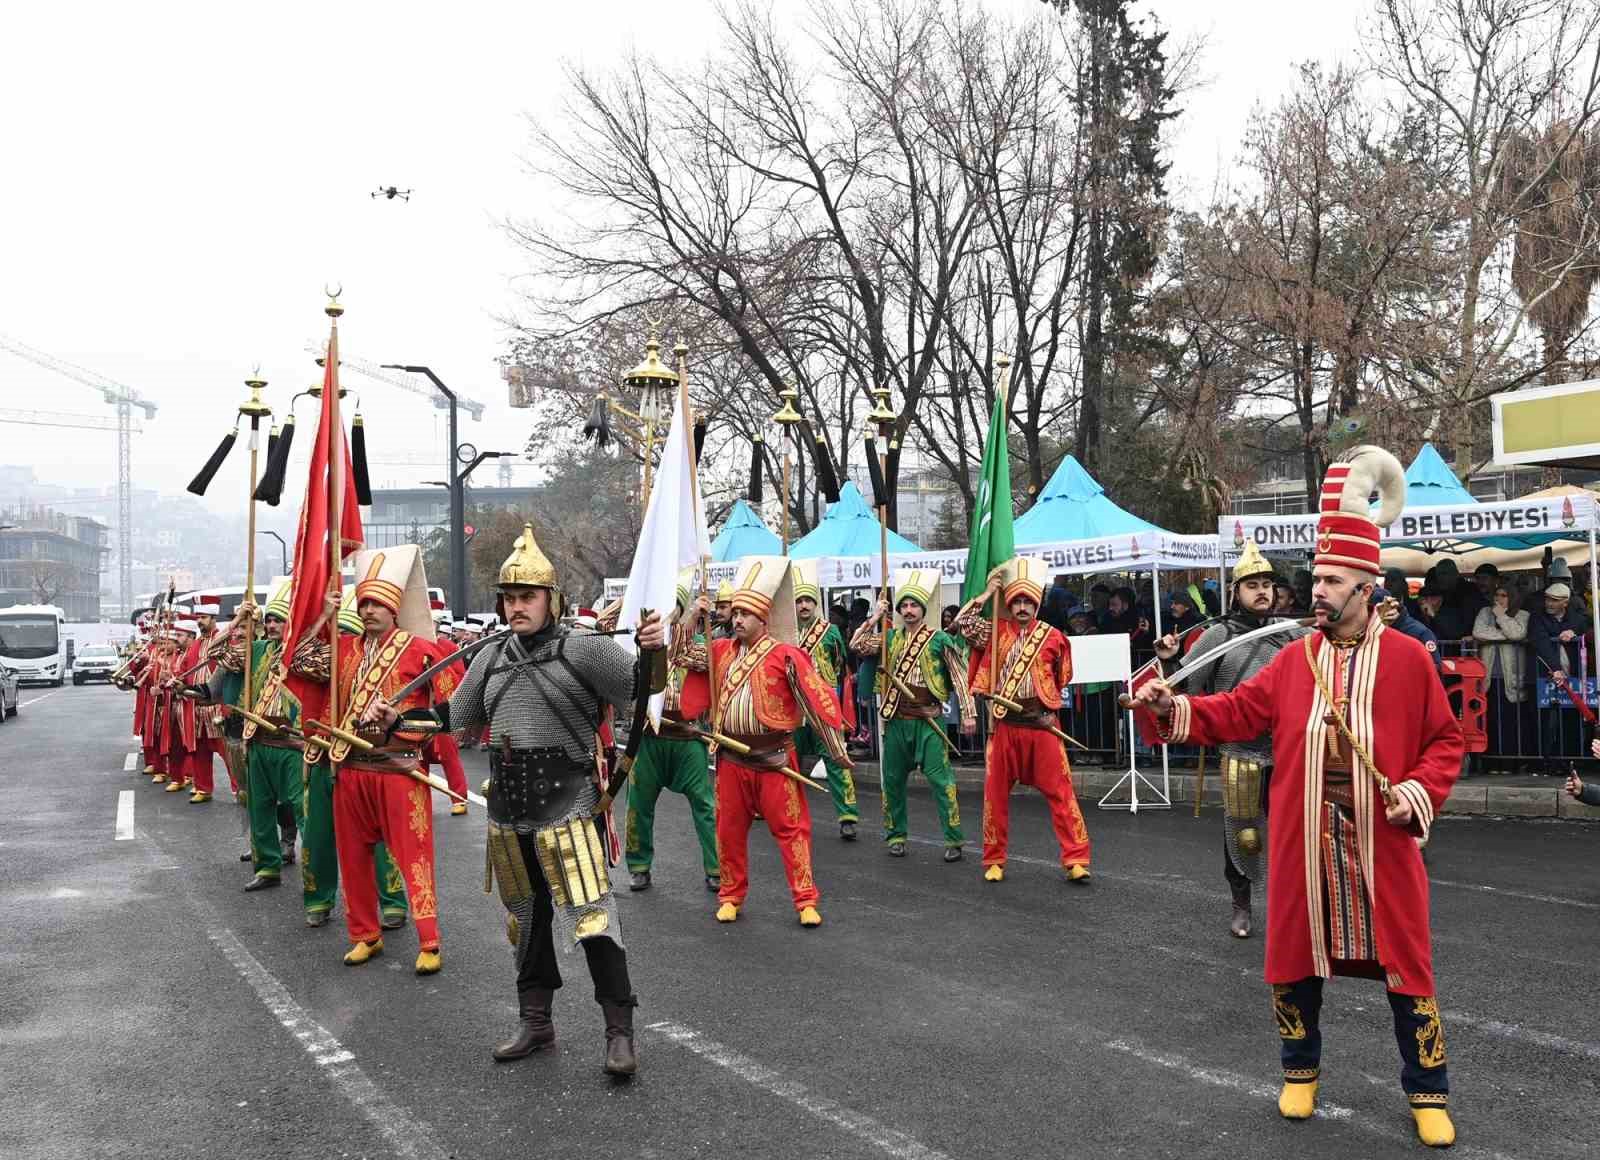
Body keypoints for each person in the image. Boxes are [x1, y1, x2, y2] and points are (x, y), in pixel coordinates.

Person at [1133, 445, 1463, 1148]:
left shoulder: (1408, 659)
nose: (1316, 592)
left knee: (1408, 967)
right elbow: (1231, 713)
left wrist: (1416, 791)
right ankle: (1299, 1072)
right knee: (1293, 960)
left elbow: (1446, 743)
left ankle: (1428, 1090)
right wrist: (1170, 706)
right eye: (1314, 579)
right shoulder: (1293, 661)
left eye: (1332, 581)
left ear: (1365, 589)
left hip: (1381, 841)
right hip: (1302, 839)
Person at [427, 523, 665, 1074]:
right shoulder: (489, 656)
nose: (517, 607)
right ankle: (536, 1024)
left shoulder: (584, 647)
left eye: (527, 596)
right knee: (526, 922)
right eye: (509, 597)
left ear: (551, 599)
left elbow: (637, 687)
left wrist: (655, 649)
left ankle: (619, 1032)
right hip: (510, 809)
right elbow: (453, 718)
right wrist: (398, 720)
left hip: (569, 802)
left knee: (593, 920)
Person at [289, 547, 444, 974]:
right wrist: (324, 614)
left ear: (394, 609)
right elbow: (299, 661)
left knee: (414, 858)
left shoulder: (421, 650)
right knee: (353, 858)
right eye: (365, 603)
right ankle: (364, 935)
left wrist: (408, 726)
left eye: (378, 603)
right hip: (350, 769)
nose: (370, 610)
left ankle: (429, 939)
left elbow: (453, 712)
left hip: (399, 770)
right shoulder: (343, 649)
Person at [1153, 542, 1308, 939]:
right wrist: (1170, 659)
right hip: (1241, 749)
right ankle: (1242, 903)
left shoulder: (1294, 633)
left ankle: (1293, 910)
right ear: (1235, 592)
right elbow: (1183, 686)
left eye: (1267, 585)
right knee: (1244, 832)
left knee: (1296, 832)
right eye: (1252, 584)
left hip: (1291, 751)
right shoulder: (1218, 634)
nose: (1262, 592)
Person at [710, 555, 851, 928]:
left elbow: (815, 698)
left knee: (792, 831)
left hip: (774, 757)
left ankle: (805, 899)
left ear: (764, 619)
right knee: (727, 829)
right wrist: (689, 617)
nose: (737, 620)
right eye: (735, 613)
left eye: (745, 614)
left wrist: (836, 749)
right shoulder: (720, 652)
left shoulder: (786, 655)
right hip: (731, 759)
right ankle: (730, 895)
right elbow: (679, 658)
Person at [958, 557, 1092, 884]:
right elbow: (960, 624)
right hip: (1006, 727)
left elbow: (1063, 675)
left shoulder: (1054, 636)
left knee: (1061, 793)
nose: (1021, 607)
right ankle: (994, 859)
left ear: (1036, 604)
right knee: (995, 796)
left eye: (1027, 601)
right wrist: (987, 593)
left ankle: (1076, 858)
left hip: (1042, 724)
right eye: (1015, 601)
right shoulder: (993, 631)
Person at [850, 569, 975, 861]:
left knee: (941, 781)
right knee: (892, 781)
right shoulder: (890, 638)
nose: (908, 610)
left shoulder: (939, 639)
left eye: (913, 605)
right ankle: (895, 836)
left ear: (923, 609)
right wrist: (874, 617)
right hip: (896, 721)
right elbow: (856, 645)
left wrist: (969, 713)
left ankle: (953, 840)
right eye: (903, 605)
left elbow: (959, 677)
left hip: (929, 719)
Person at [625, 574, 720, 894]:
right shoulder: (643, 641)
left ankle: (716, 867)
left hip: (688, 737)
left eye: (675, 608)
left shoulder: (700, 643)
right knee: (638, 805)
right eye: (666, 607)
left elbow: (686, 656)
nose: (670, 613)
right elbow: (657, 653)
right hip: (650, 736)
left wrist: (691, 623)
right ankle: (638, 866)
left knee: (706, 805)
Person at [218, 582, 308, 891]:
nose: (271, 625)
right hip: (257, 740)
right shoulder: (255, 650)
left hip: (292, 743)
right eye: (268, 620)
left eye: (278, 620)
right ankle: (267, 867)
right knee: (259, 806)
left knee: (301, 807)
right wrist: (239, 621)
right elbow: (218, 653)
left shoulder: (302, 652)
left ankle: (315, 872)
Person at [793, 560, 860, 839]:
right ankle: (787, 812)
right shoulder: (786, 632)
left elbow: (837, 662)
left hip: (822, 703)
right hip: (794, 707)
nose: (804, 605)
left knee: (835, 757)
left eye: (809, 600)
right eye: (799, 601)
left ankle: (847, 815)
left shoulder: (830, 631)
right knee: (788, 760)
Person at [1529, 580, 1593, 768]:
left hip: (1572, 676)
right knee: (1545, 721)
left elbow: (1586, 623)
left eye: (1555, 600)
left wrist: (1574, 631)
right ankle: (1546, 762)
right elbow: (1542, 642)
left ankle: (1571, 760)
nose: (1549, 603)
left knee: (1571, 719)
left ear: (1565, 602)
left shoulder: (1576, 617)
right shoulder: (1537, 618)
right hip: (1546, 676)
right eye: (1548, 599)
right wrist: (1555, 668)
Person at [1473, 582, 1531, 762]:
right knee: (1489, 721)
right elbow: (1478, 632)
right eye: (1497, 594)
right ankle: (1491, 760)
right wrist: (1505, 633)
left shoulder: (1523, 614)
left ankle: (1511, 761)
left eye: (1503, 595)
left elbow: (1517, 633)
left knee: (1511, 721)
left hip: (1512, 678)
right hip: (1489, 678)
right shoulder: (1484, 612)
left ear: (1512, 597)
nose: (1498, 598)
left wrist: (1500, 617)